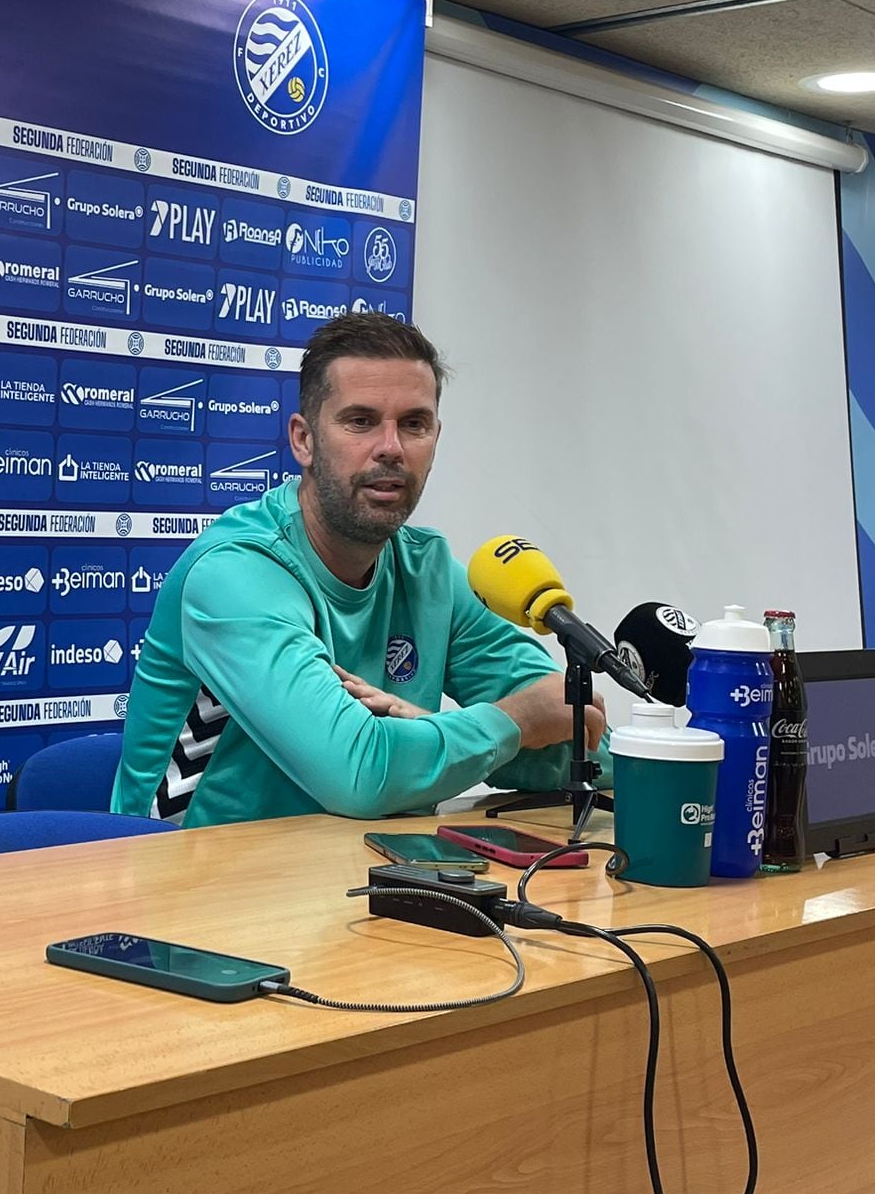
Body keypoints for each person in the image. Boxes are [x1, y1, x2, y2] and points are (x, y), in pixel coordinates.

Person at [112, 312, 607, 827]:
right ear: (303, 440)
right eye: (361, 421)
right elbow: (358, 774)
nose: (390, 448)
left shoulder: (428, 569)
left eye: (413, 424)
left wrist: (448, 727)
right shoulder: (235, 573)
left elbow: (590, 744)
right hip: (189, 884)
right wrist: (515, 721)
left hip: (360, 875)